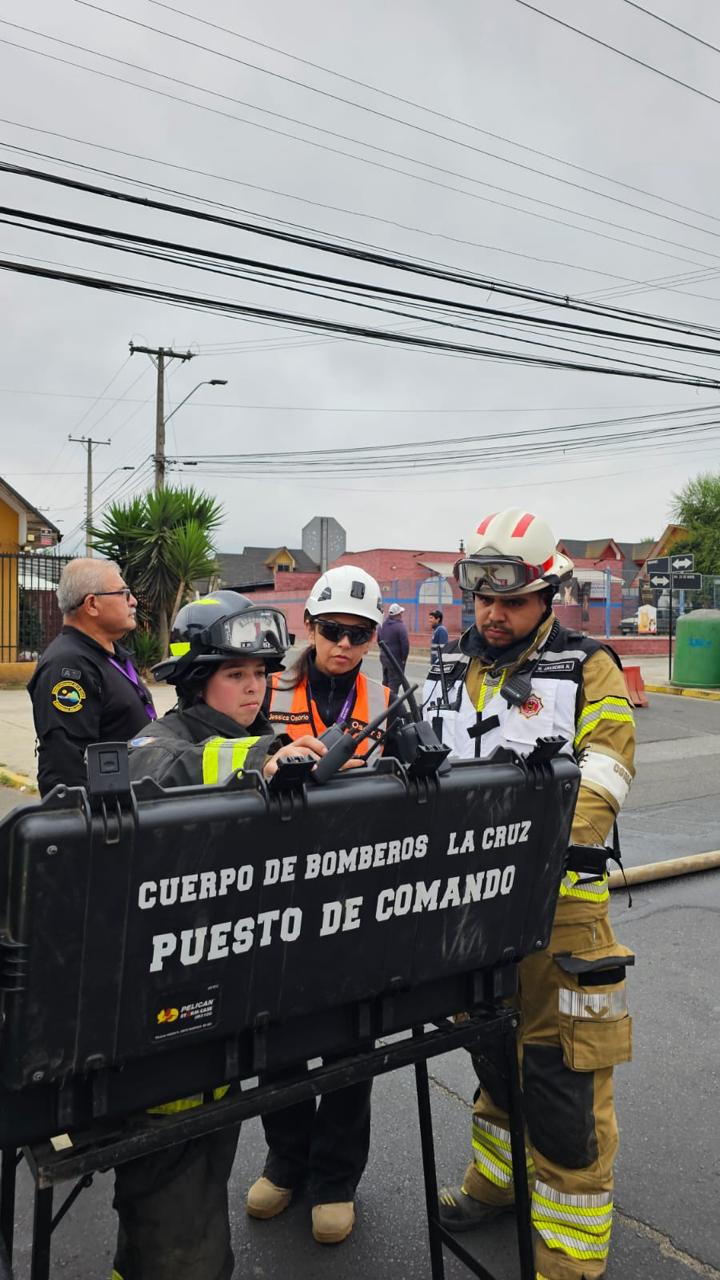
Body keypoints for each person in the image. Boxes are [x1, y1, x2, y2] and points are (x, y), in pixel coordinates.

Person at [422, 509, 635, 1280]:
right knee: (488, 1051)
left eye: (509, 600)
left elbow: (607, 769)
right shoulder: (451, 666)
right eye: (481, 598)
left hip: (560, 913)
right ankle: (498, 1179)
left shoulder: (588, 668)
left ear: (547, 594)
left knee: (560, 1076)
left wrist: (529, 857)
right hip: (468, 910)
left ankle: (570, 1253)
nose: (492, 614)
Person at [118, 590, 326, 1280]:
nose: (255, 686)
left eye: (262, 673)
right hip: (171, 1019)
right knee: (179, 1212)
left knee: (197, 1183)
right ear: (195, 678)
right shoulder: (165, 741)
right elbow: (158, 768)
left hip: (227, 994)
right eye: (236, 674)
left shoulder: (256, 742)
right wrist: (257, 761)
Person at [249, 564, 390, 1244]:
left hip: (356, 885)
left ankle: (335, 1177)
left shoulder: (384, 691)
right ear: (310, 625)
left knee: (350, 1034)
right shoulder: (267, 686)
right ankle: (287, 1159)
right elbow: (224, 758)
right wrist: (271, 757)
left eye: (358, 634)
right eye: (333, 630)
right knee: (275, 1029)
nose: (343, 644)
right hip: (279, 885)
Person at [27, 558, 156, 796]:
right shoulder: (68, 665)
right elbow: (66, 764)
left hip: (129, 804)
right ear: (92, 604)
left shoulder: (111, 655)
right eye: (124, 593)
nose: (133, 601)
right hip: (104, 817)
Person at [378, 601, 409, 695]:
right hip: (395, 659)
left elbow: (378, 640)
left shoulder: (382, 625)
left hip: (384, 657)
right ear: (398, 614)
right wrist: (404, 659)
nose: (401, 615)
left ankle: (384, 701)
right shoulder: (400, 626)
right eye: (401, 613)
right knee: (394, 682)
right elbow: (405, 645)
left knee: (386, 680)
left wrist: (384, 651)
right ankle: (391, 705)